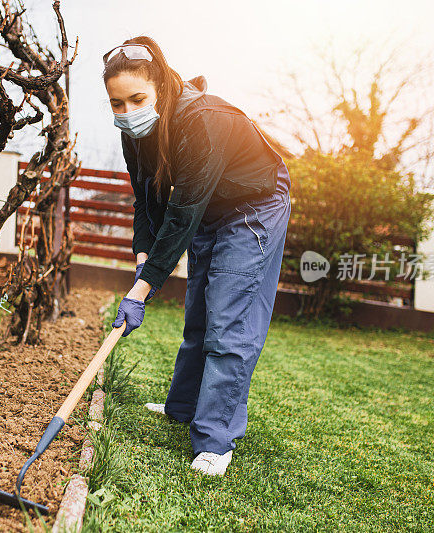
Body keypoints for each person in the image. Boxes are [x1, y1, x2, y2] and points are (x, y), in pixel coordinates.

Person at [104, 36, 292, 476]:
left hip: (254, 203)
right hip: (211, 205)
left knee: (229, 319)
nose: (127, 112)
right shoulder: (135, 133)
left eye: (137, 99)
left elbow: (181, 212)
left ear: (161, 91)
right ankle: (182, 407)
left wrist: (143, 288)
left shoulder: (202, 121)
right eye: (116, 103)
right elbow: (146, 202)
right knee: (198, 312)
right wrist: (141, 262)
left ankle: (215, 439)